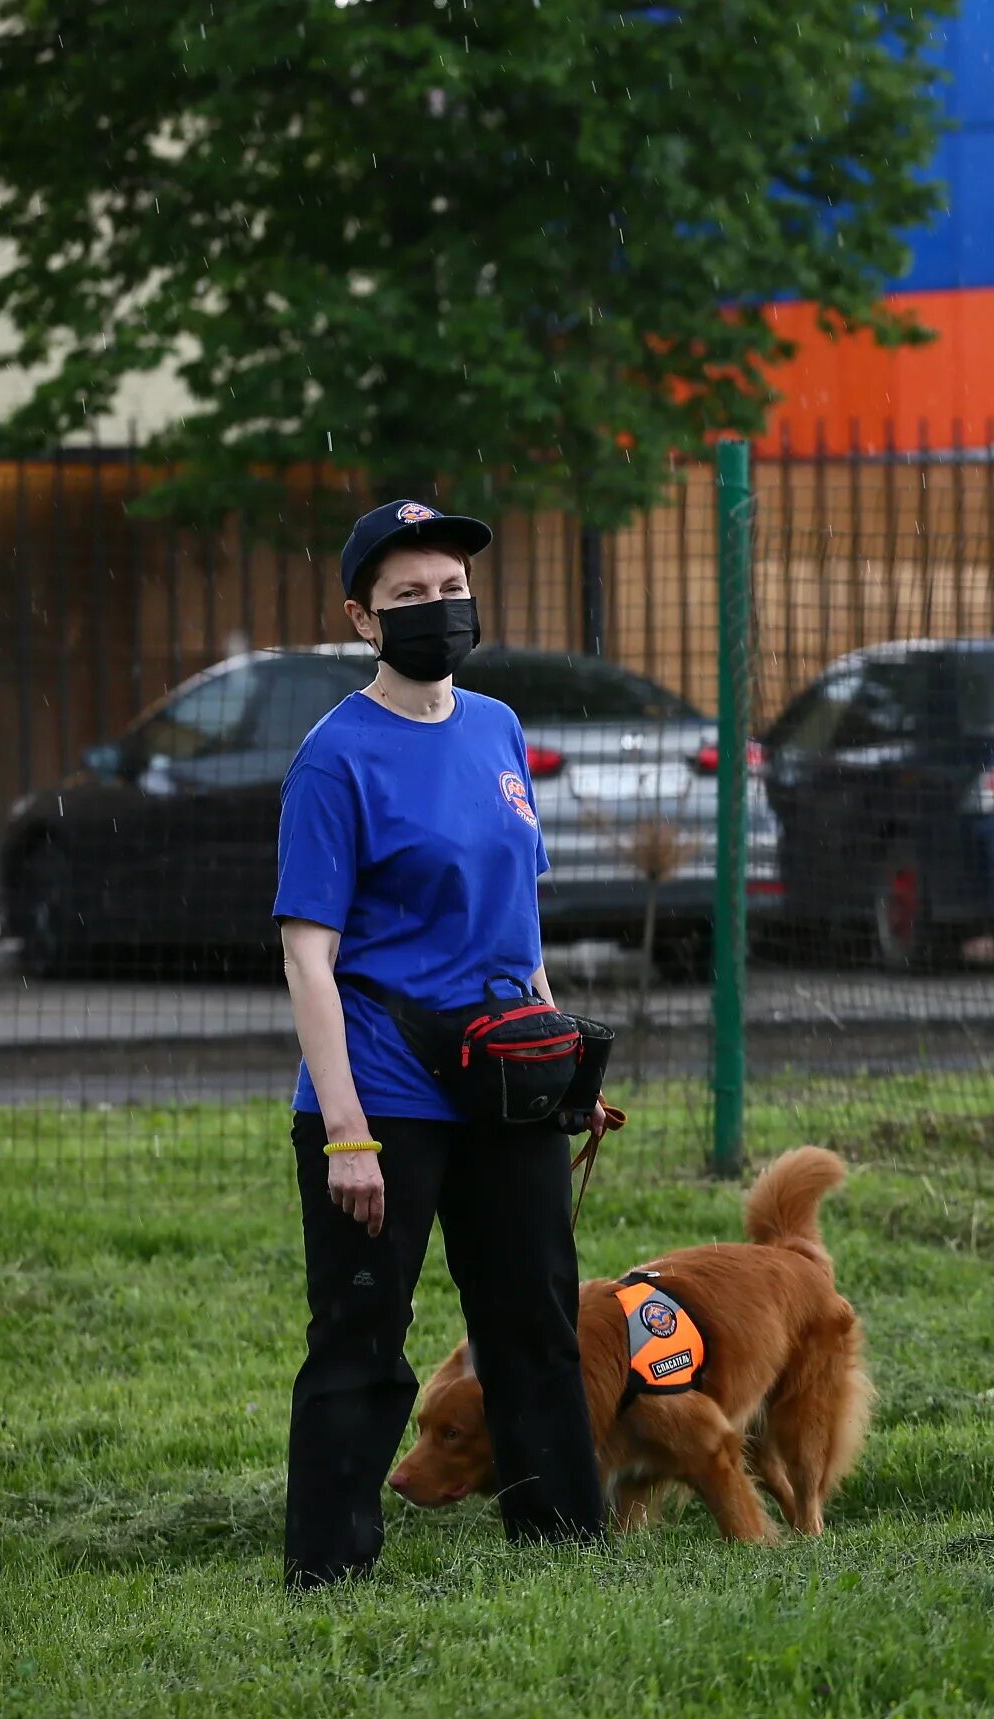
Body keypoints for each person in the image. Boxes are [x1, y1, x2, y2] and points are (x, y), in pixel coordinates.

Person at [272, 498, 608, 1588]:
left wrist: (561, 1062)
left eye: (451, 590)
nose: (437, 609)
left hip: (506, 1081)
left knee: (535, 1322)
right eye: (409, 596)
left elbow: (519, 922)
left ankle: (562, 1543)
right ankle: (330, 1566)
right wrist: (348, 1135)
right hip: (384, 1087)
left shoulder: (498, 727)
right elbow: (308, 959)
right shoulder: (335, 758)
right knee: (363, 1336)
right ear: (362, 620)